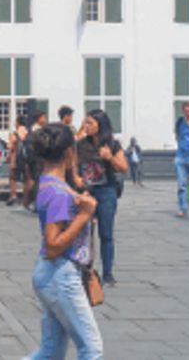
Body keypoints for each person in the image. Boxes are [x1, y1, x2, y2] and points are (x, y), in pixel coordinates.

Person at [27, 122, 103, 359]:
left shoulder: (48, 183)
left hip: (51, 274)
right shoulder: (58, 192)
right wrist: (83, 215)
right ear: (70, 152)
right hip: (60, 273)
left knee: (50, 353)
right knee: (91, 348)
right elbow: (52, 245)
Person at [76, 109, 126, 285]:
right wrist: (77, 179)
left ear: (100, 125)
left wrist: (110, 157)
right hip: (86, 191)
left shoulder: (112, 145)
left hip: (106, 190)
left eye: (90, 123)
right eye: (85, 122)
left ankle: (107, 273)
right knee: (84, 232)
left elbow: (123, 168)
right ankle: (85, 268)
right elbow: (73, 167)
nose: (86, 126)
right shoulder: (81, 145)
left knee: (106, 233)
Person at [7, 119, 29, 206]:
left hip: (16, 158)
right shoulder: (28, 132)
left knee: (13, 177)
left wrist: (9, 156)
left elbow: (10, 146)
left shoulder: (14, 134)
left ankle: (13, 195)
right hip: (27, 159)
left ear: (18, 123)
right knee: (27, 178)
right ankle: (26, 197)